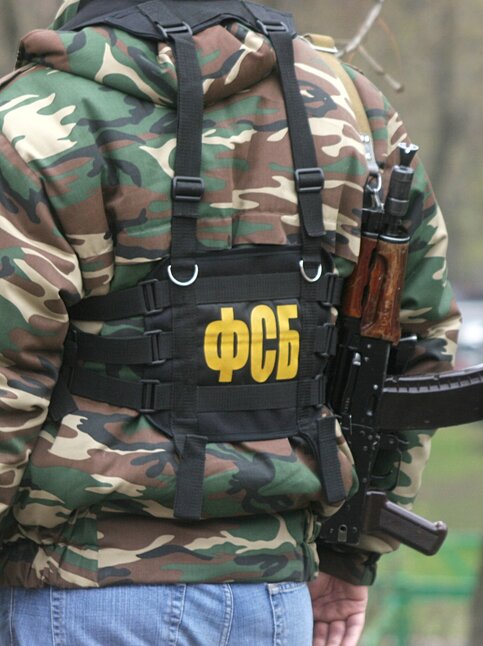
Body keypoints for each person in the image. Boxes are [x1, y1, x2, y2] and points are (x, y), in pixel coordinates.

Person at [0, 1, 460, 644]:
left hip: (77, 592)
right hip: (274, 604)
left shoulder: (34, 119)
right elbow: (416, 344)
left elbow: (8, 374)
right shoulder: (350, 106)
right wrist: (351, 551)